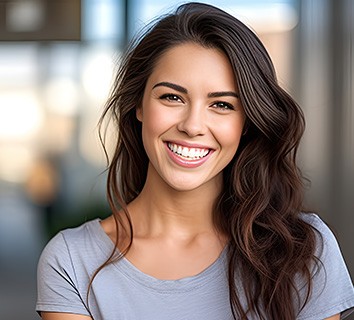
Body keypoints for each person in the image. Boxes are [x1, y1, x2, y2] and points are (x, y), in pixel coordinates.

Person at [36, 2, 354, 319]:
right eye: (172, 97)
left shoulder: (303, 250)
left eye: (222, 105)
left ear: (246, 123)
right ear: (139, 105)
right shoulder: (72, 261)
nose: (192, 125)